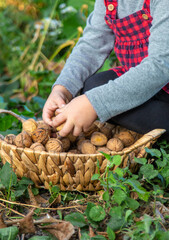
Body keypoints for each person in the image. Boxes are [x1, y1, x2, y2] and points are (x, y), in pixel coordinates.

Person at [42, 0, 169, 141]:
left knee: (95, 100)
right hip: (147, 86)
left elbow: (160, 66)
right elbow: (92, 45)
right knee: (93, 86)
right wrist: (62, 88)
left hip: (161, 76)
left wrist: (95, 103)